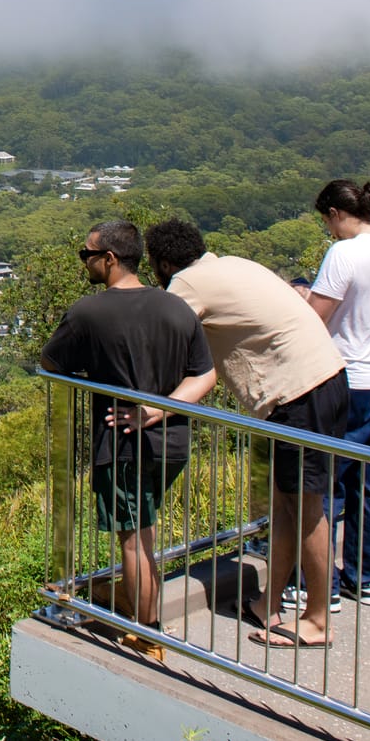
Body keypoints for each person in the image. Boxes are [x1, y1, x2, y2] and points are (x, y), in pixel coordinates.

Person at [144, 219, 348, 649]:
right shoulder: (232, 263)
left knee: (307, 505)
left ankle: (316, 620)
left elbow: (158, 340)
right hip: (322, 378)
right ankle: (267, 603)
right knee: (284, 503)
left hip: (298, 392)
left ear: (163, 263)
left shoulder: (187, 284)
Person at [42, 220, 217, 661]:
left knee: (132, 539)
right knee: (145, 530)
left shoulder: (89, 312)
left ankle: (147, 632)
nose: (84, 262)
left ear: (110, 259)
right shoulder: (177, 308)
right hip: (172, 442)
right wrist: (160, 409)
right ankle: (134, 602)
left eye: (87, 255)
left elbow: (51, 362)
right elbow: (206, 375)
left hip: (121, 444)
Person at [283, 180, 370, 613]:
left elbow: (315, 318)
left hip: (345, 377)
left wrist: (303, 297)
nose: (330, 230)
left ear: (335, 213)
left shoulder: (344, 254)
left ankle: (313, 585)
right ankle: (364, 579)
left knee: (325, 482)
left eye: (328, 221)